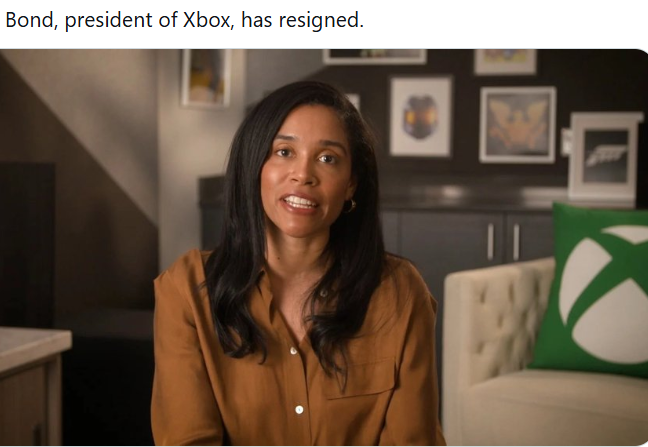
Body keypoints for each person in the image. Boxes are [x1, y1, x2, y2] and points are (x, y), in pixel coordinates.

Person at [151, 81, 446, 446]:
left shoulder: (400, 291)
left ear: (351, 184)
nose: (303, 174)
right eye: (284, 151)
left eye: (327, 158)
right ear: (255, 164)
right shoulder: (187, 289)